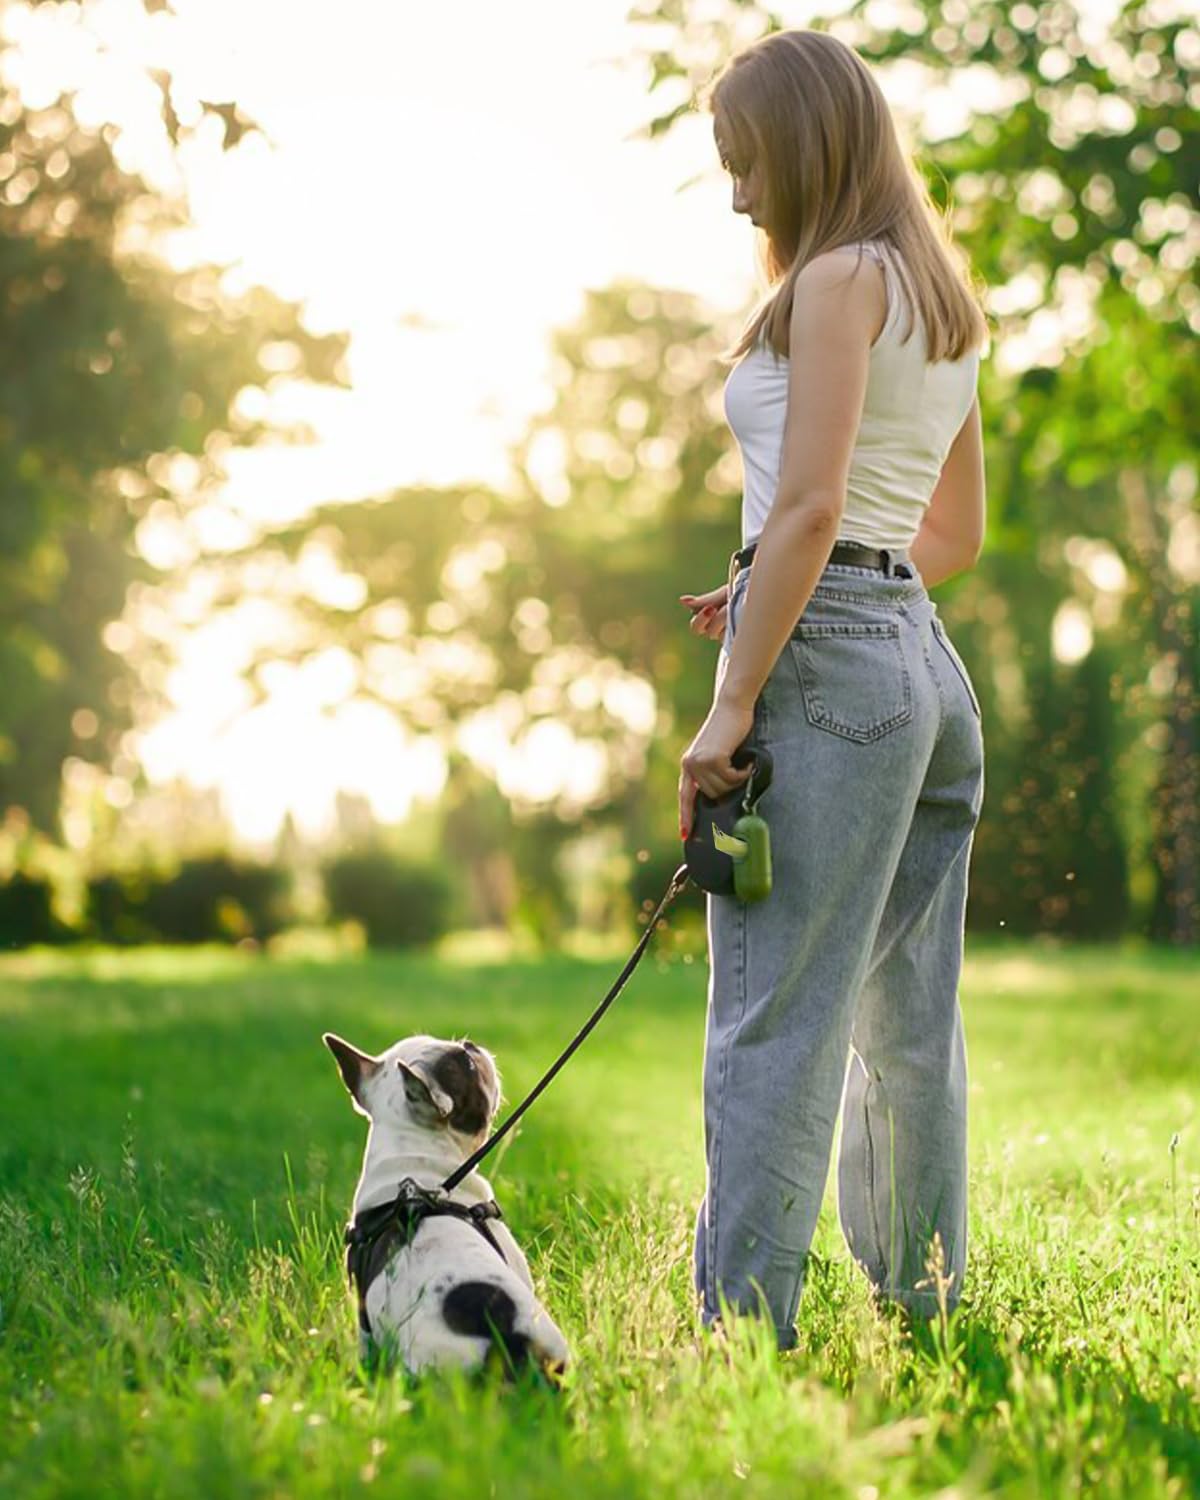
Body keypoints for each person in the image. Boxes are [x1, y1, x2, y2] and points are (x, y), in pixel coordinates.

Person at [677, 28, 989, 1352]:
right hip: (921, 667)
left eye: (747, 165)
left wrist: (734, 696)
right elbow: (950, 535)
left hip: (835, 675)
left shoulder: (832, 283)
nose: (740, 194)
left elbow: (807, 505)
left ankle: (745, 1336)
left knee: (772, 1021)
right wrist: (781, 585)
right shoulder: (940, 292)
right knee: (910, 1021)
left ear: (802, 147)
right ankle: (923, 1301)